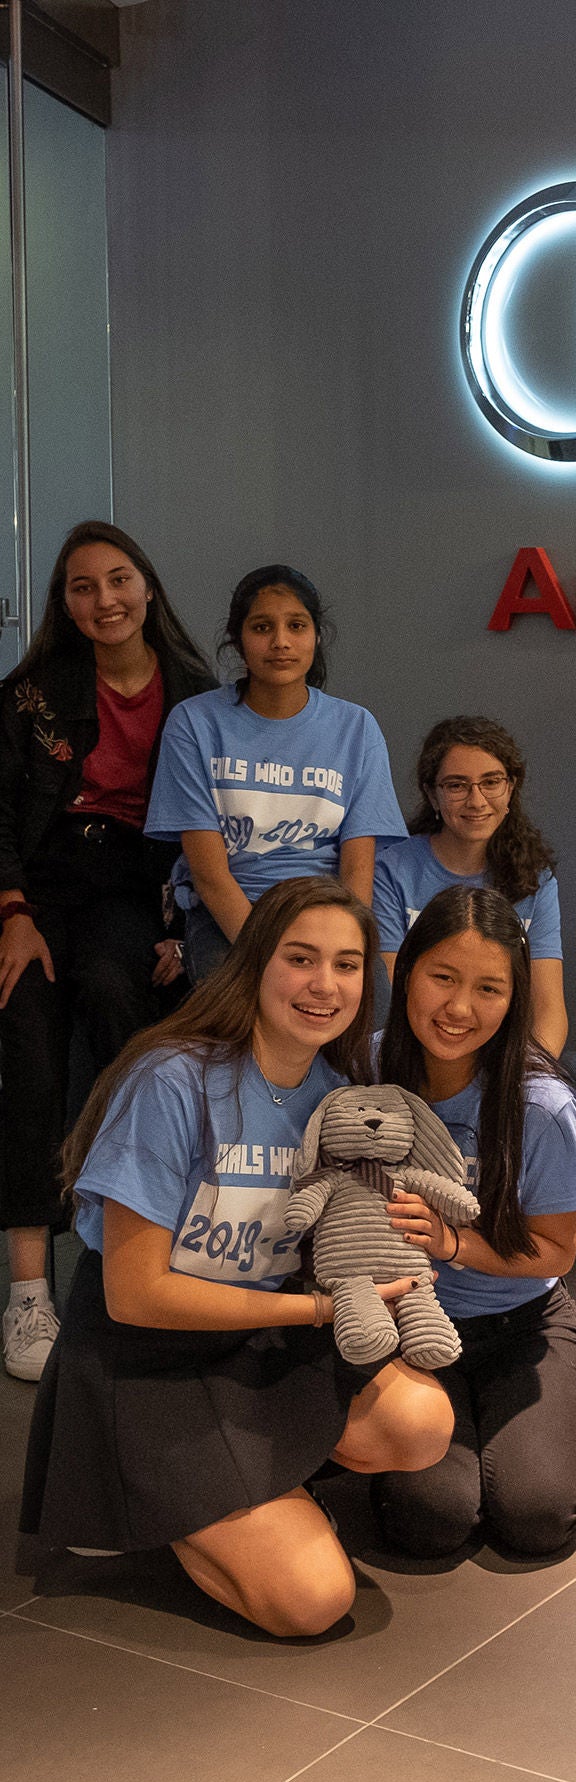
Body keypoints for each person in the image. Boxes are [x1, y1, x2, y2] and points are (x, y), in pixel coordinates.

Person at [17, 877, 454, 1637]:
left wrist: (415, 1245)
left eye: (347, 965)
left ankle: (252, 1492)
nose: (325, 985)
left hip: (256, 1335)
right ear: (256, 963)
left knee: (421, 1423)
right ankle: (175, 1506)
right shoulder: (173, 1078)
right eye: (302, 958)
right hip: (148, 1354)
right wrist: (319, 1309)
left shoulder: (339, 1093)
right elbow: (134, 1295)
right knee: (312, 1602)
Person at [0, 523, 215, 1383]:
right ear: (64, 604)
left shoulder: (198, 696)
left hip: (137, 889)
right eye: (82, 588)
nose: (104, 601)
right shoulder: (29, 696)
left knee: (122, 1004)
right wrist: (13, 911)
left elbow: (210, 825)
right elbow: (2, 818)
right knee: (27, 1043)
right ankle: (26, 1288)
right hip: (40, 888)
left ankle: (131, 1250)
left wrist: (182, 922)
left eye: (118, 580)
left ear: (149, 586)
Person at [370, 885, 576, 1559]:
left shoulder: (544, 1103)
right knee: (430, 1520)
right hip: (401, 1326)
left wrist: (454, 1244)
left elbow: (556, 1252)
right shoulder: (363, 1069)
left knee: (537, 1518)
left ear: (515, 997)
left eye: (489, 989)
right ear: (407, 969)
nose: (460, 1008)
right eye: (442, 977)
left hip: (521, 1327)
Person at [145, 564, 407, 983]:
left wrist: (341, 947)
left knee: (368, 1021)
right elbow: (210, 877)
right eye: (262, 627)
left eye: (297, 626)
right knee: (246, 1022)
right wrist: (274, 957)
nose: (281, 642)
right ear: (238, 640)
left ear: (316, 637)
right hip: (227, 918)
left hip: (327, 919)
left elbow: (358, 871)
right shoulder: (194, 723)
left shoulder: (357, 728)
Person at [372, 715, 576, 1111]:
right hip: (422, 1047)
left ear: (511, 788)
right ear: (432, 794)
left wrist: (520, 1070)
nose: (476, 800)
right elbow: (396, 994)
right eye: (457, 785)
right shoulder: (392, 870)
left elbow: (548, 1007)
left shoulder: (536, 879)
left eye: (491, 782)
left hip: (501, 1048)